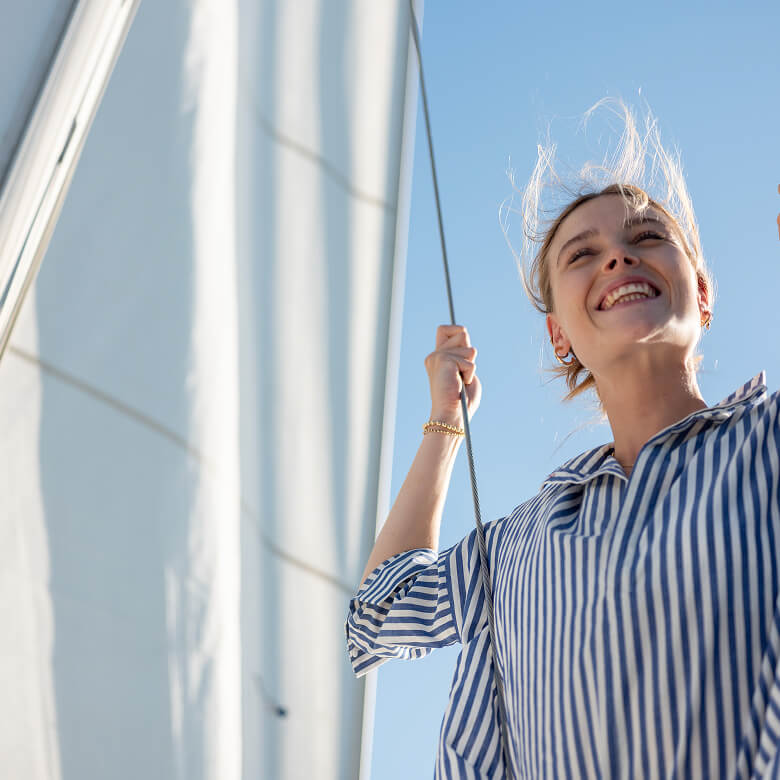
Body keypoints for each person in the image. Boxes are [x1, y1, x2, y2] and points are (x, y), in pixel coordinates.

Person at [344, 100, 780, 778]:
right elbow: (376, 615)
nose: (617, 257)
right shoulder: (520, 542)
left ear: (700, 289)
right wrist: (444, 426)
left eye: (645, 237)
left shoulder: (768, 444)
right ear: (558, 336)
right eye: (584, 253)